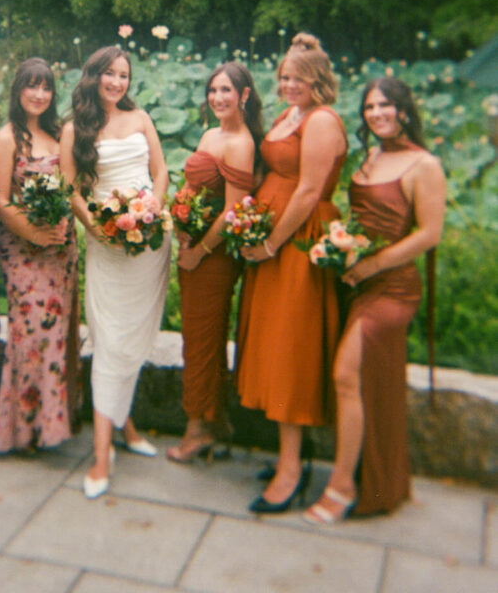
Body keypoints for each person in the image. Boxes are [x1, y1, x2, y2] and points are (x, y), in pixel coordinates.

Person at [305, 77, 445, 523]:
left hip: (394, 286)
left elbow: (429, 234)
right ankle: (379, 476)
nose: (377, 113)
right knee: (363, 383)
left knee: (346, 374)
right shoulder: (372, 156)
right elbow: (361, 218)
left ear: (403, 110)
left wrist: (372, 264)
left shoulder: (425, 165)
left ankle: (343, 485)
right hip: (357, 279)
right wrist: (339, 246)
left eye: (385, 105)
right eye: (369, 107)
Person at [236, 33, 347, 513]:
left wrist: (270, 242)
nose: (288, 84)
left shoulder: (321, 121)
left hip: (296, 244)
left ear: (319, 81)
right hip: (270, 241)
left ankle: (291, 470)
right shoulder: (289, 116)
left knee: (289, 350)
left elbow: (307, 191)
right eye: (283, 77)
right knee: (272, 345)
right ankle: (288, 456)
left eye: (299, 77)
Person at [60, 46, 170, 498]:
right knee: (108, 340)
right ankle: (102, 455)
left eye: (124, 75)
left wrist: (152, 207)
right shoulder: (74, 129)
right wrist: (95, 225)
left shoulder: (142, 118)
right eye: (109, 74)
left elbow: (160, 172)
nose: (117, 82)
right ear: (94, 76)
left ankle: (127, 428)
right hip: (106, 242)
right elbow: (70, 189)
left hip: (148, 244)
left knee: (133, 340)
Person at [168, 63, 262, 463]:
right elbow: (194, 188)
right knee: (198, 336)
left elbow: (233, 211)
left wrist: (199, 251)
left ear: (243, 95)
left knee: (203, 341)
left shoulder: (241, 143)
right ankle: (216, 421)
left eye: (227, 90)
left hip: (214, 256)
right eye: (213, 90)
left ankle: (197, 429)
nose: (218, 97)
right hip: (194, 247)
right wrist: (180, 224)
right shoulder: (210, 133)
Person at [0, 57, 79, 453]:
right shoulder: (7, 138)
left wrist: (58, 231)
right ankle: (20, 430)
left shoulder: (60, 136)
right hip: (23, 248)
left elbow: (71, 188)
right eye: (31, 86)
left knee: (56, 334)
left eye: (46, 88)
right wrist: (35, 234)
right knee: (29, 334)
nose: (39, 95)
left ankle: (50, 425)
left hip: (61, 248)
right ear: (17, 90)